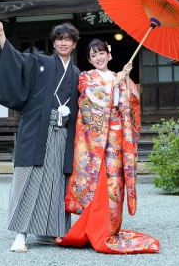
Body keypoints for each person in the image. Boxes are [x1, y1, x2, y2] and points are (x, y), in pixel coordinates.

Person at [60, 38, 160, 254]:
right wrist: (112, 86)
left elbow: (131, 104)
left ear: (109, 54)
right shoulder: (86, 77)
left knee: (115, 184)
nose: (98, 57)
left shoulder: (119, 76)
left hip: (116, 138)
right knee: (97, 182)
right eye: (93, 55)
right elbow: (88, 100)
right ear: (89, 59)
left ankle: (110, 229)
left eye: (101, 53)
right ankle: (91, 228)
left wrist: (125, 82)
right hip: (95, 141)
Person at [0, 19, 80, 253]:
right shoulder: (40, 62)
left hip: (62, 134)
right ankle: (20, 234)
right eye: (59, 38)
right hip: (39, 129)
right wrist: (1, 36)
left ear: (74, 44)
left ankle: (48, 231)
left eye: (68, 39)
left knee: (55, 182)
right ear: (54, 42)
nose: (63, 42)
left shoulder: (78, 73)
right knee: (30, 178)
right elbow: (15, 60)